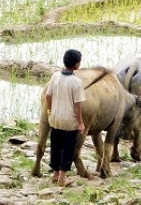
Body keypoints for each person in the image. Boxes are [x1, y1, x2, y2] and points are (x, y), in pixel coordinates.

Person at [45, 49, 86, 187]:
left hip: (55, 118)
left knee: (55, 146)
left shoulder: (55, 76)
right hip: (69, 121)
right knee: (67, 148)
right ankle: (62, 177)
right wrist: (80, 123)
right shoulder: (76, 82)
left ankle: (55, 174)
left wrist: (51, 110)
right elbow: (78, 106)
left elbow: (48, 96)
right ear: (76, 65)